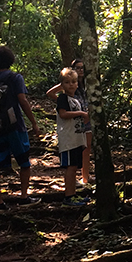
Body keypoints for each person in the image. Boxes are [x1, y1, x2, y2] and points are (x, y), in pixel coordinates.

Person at [0, 45, 42, 210]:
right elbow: (22, 100)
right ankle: (23, 196)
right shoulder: (15, 78)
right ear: (11, 60)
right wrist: (33, 122)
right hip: (15, 127)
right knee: (24, 161)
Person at [46, 58, 93, 185]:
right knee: (75, 152)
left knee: (86, 148)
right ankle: (73, 181)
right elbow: (50, 93)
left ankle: (85, 177)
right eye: (77, 67)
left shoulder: (86, 83)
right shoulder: (68, 86)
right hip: (73, 122)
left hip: (84, 119)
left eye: (82, 67)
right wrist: (63, 102)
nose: (80, 70)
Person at [54, 67, 90, 206]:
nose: (71, 84)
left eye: (74, 82)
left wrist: (84, 118)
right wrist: (80, 113)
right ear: (62, 85)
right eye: (67, 82)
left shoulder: (75, 99)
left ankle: (73, 195)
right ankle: (68, 197)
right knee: (70, 167)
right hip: (68, 140)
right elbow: (63, 114)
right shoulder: (63, 98)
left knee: (74, 167)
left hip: (77, 139)